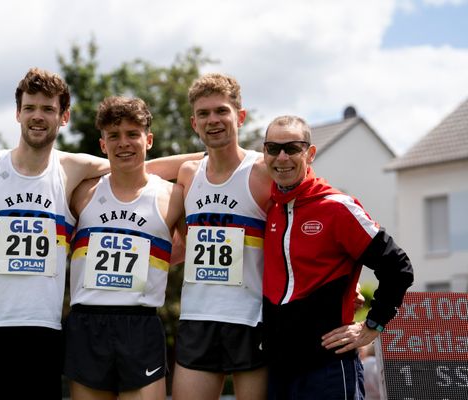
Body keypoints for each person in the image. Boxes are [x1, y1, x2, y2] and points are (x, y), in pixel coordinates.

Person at [0, 68, 196, 400]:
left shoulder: (71, 170)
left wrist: (221, 158)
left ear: (63, 116)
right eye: (30, 108)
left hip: (43, 332)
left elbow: (137, 164)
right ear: (17, 113)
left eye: (48, 109)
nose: (38, 116)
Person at [261, 115, 414, 399]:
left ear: (310, 153)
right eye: (273, 148)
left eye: (293, 148)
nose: (282, 157)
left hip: (328, 368)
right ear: (264, 153)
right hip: (279, 368)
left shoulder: (337, 207)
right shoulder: (267, 206)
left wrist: (373, 325)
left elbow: (398, 267)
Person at [63, 96, 185, 400]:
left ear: (149, 139)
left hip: (140, 323)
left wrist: (155, 263)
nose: (123, 143)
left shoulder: (173, 196)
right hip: (87, 323)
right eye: (114, 136)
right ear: (103, 144)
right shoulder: (81, 193)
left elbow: (197, 252)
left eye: (133, 134)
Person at [172, 73, 273, 400]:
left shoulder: (263, 172)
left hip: (250, 318)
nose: (212, 120)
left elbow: (304, 229)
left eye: (221, 111)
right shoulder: (189, 174)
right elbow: (186, 246)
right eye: (203, 114)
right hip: (197, 317)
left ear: (239, 117)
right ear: (194, 123)